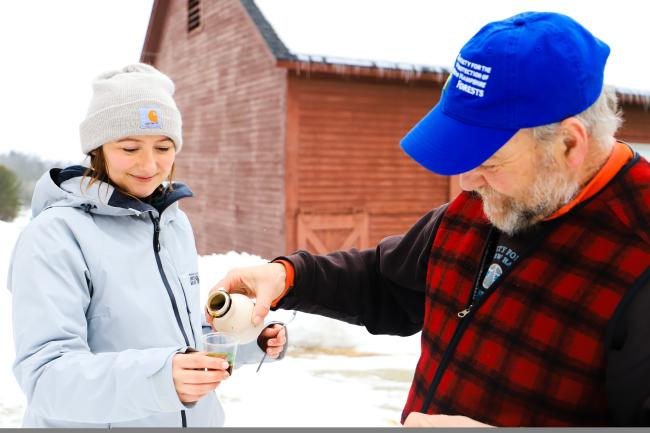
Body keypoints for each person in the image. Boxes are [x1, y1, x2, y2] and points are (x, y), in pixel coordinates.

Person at [208, 12, 650, 427]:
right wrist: (286, 277)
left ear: (569, 146)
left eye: (489, 161)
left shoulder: (638, 255)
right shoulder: (486, 203)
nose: (465, 182)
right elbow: (385, 282)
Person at [8, 63, 286, 428]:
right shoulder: (55, 236)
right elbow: (46, 377)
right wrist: (159, 379)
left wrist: (246, 341)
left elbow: (176, 338)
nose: (150, 164)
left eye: (163, 146)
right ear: (98, 149)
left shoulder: (174, 224)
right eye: (129, 147)